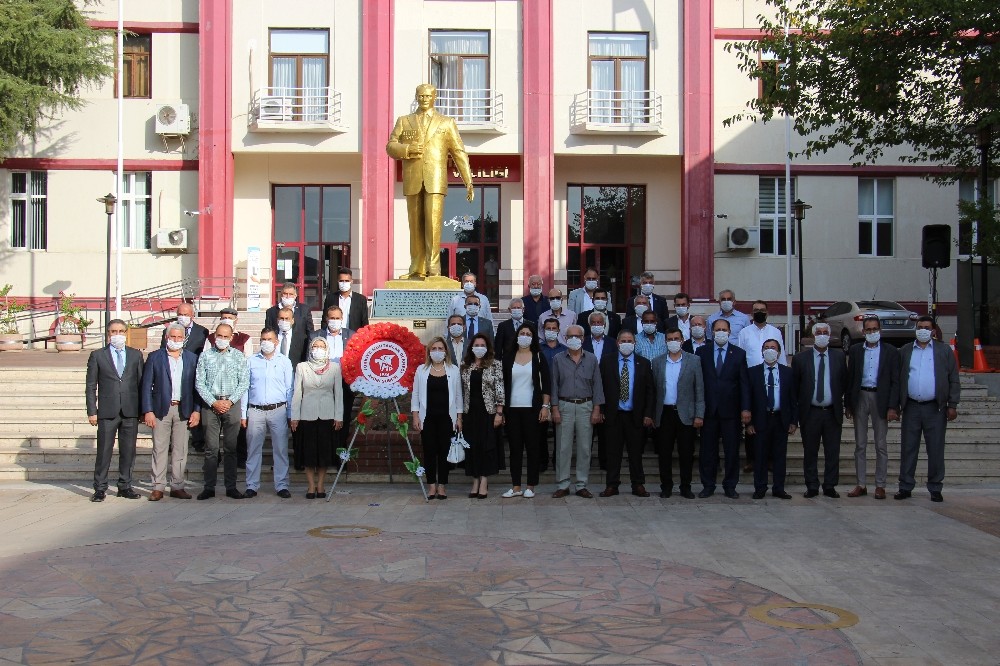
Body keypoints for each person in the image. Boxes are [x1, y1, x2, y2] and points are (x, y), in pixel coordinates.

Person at [386, 83, 475, 279]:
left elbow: (459, 151)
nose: (424, 99)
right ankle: (416, 267)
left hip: (435, 180)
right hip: (413, 179)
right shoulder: (404, 120)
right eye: (420, 96)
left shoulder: (446, 122)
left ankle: (433, 268)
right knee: (415, 225)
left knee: (433, 225)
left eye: (427, 96)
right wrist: (407, 150)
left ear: (434, 97)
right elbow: (390, 146)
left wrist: (467, 179)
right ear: (416, 97)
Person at [895, 316, 960, 502]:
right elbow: (898, 378)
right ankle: (905, 486)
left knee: (936, 449)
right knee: (908, 448)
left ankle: (935, 487)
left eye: (926, 327)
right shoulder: (906, 351)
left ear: (933, 331)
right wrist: (896, 405)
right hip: (911, 407)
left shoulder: (943, 351)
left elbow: (953, 378)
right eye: (920, 327)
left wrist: (952, 404)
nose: (923, 330)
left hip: (935, 408)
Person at [85, 319, 145, 502]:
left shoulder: (136, 355)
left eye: (120, 331)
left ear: (126, 333)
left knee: (128, 450)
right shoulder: (97, 355)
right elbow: (90, 385)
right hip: (107, 411)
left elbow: (141, 383)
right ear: (108, 334)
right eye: (113, 331)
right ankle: (100, 488)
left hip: (130, 410)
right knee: (104, 451)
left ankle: (125, 486)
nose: (117, 334)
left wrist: (143, 410)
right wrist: (92, 411)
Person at [141, 323, 200, 501]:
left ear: (184, 339)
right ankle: (158, 487)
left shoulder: (191, 358)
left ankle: (177, 485)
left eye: (179, 337)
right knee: (159, 448)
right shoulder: (155, 357)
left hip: (184, 408)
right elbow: (145, 386)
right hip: (161, 409)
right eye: (172, 337)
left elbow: (197, 387)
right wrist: (148, 410)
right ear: (167, 338)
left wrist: (196, 410)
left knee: (180, 449)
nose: (176, 340)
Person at [845, 316, 900, 500]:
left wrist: (893, 406)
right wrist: (848, 404)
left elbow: (895, 380)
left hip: (880, 397)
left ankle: (880, 485)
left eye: (875, 329)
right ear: (863, 332)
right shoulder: (855, 350)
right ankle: (861, 484)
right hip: (860, 395)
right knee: (860, 444)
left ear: (880, 331)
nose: (872, 332)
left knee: (880, 444)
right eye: (868, 329)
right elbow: (850, 377)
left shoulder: (890, 351)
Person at [195, 322, 250, 500]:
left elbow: (244, 382)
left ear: (231, 338)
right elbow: (199, 383)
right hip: (210, 405)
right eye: (220, 336)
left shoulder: (239, 356)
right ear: (214, 336)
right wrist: (213, 402)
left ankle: (231, 486)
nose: (222, 339)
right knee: (211, 448)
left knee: (231, 448)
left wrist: (230, 401)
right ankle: (209, 487)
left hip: (231, 405)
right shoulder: (205, 356)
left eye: (226, 337)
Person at [696, 318, 751, 499]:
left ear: (729, 332)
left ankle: (730, 485)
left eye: (724, 329)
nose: (721, 332)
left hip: (731, 411)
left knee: (731, 450)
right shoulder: (702, 352)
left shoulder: (739, 354)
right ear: (711, 332)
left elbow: (744, 383)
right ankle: (708, 485)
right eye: (717, 329)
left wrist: (745, 408)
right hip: (709, 410)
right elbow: (699, 382)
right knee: (708, 451)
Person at [792, 322, 847, 498]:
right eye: (819, 332)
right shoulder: (801, 358)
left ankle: (830, 485)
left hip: (832, 411)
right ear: (813, 336)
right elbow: (796, 387)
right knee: (810, 451)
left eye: (825, 332)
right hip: (811, 412)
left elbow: (843, 382)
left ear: (829, 336)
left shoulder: (839, 357)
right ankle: (812, 485)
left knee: (833, 451)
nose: (822, 335)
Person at [549, 325, 605, 498]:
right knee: (563, 448)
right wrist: (555, 408)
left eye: (577, 336)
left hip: (585, 406)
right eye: (570, 336)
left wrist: (597, 409)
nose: (574, 339)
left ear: (583, 338)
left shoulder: (592, 359)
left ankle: (581, 484)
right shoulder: (558, 358)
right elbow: (554, 385)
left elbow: (597, 386)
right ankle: (563, 484)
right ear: (565, 339)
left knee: (584, 447)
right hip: (564, 406)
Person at [599, 330, 655, 497]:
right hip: (613, 414)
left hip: (635, 415)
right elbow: (599, 387)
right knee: (612, 452)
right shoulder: (607, 361)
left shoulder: (643, 363)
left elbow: (650, 391)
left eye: (629, 340)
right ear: (617, 343)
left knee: (635, 452)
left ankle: (638, 484)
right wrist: (600, 409)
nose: (626, 343)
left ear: (635, 343)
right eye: (623, 340)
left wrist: (648, 414)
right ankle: (612, 485)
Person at [242, 328, 294, 499]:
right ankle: (252, 485)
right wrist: (244, 413)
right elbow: (245, 388)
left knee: (280, 449)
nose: (266, 342)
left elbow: (289, 389)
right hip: (255, 410)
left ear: (276, 341)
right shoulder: (251, 361)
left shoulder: (284, 361)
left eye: (269, 339)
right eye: (263, 339)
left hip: (278, 410)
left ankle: (282, 485)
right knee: (253, 449)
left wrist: (290, 413)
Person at [652, 327, 704, 499]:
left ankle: (685, 486)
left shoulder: (694, 360)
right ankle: (666, 486)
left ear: (682, 340)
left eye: (676, 338)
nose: (673, 341)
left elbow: (699, 390)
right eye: (669, 339)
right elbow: (654, 389)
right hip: (664, 413)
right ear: (665, 341)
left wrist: (699, 414)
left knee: (686, 453)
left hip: (686, 413)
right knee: (664, 453)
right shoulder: (658, 362)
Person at [290, 337, 344, 499]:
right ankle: (311, 486)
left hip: (327, 415)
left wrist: (338, 416)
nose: (318, 349)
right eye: (315, 346)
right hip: (307, 415)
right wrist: (294, 416)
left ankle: (320, 484)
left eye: (321, 347)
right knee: (309, 453)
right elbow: (297, 392)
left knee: (324, 453)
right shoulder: (302, 367)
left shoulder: (334, 367)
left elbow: (338, 393)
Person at [501, 323, 550, 499]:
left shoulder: (538, 357)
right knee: (515, 449)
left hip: (532, 409)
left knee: (532, 448)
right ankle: (515, 487)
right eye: (522, 333)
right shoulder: (507, 358)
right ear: (516, 336)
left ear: (533, 337)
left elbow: (546, 384)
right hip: (512, 410)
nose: (524, 336)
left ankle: (530, 485)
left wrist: (545, 406)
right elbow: (502, 385)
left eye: (528, 333)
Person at [737, 300, 786, 473]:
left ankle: (771, 459)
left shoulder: (775, 332)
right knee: (752, 422)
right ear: (751, 313)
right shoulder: (744, 333)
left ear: (767, 312)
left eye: (762, 310)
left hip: (772, 378)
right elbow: (741, 358)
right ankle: (751, 459)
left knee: (772, 423)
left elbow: (781, 355)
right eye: (756, 310)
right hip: (752, 380)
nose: (759, 312)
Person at [412, 337, 463, 500]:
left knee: (444, 453)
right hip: (427, 418)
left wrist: (459, 417)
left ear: (446, 351)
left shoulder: (453, 370)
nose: (437, 352)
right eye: (434, 349)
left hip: (447, 418)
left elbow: (459, 396)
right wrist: (415, 416)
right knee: (429, 452)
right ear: (429, 352)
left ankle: (442, 486)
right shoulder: (421, 370)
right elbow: (416, 394)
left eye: (440, 348)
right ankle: (431, 486)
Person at [747, 339, 797, 499]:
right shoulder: (752, 372)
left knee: (779, 456)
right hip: (761, 419)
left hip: (780, 419)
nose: (770, 351)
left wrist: (793, 421)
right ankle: (760, 487)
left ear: (779, 352)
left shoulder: (787, 372)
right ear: (762, 352)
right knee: (760, 455)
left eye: (773, 348)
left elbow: (793, 398)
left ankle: (779, 488)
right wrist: (749, 422)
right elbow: (748, 398)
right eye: (767, 348)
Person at [310, 305, 357, 463]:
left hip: (345, 383)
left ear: (342, 319)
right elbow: (308, 360)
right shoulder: (316, 335)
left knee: (342, 419)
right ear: (326, 319)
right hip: (323, 383)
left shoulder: (351, 335)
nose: (334, 321)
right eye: (331, 318)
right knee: (325, 420)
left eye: (337, 318)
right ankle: (326, 455)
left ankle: (340, 457)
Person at [461, 334, 504, 498]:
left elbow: (500, 389)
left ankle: (484, 480)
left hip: (488, 412)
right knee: (472, 447)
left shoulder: (495, 365)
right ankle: (475, 480)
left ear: (487, 347)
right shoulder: (465, 365)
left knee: (486, 446)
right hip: (470, 412)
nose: (479, 347)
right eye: (476, 344)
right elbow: (462, 390)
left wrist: (499, 412)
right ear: (471, 347)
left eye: (482, 345)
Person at [321, 267, 369, 332]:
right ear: (337, 281)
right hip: (335, 336)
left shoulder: (360, 299)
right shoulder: (330, 298)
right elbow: (324, 320)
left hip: (354, 337)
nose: (344, 283)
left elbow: (364, 323)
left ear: (351, 281)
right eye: (341, 281)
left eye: (346, 281)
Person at [494, 298, 536, 364]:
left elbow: (535, 344)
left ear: (523, 309)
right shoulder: (503, 326)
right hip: (508, 362)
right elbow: (498, 347)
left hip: (527, 361)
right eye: (514, 308)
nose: (517, 310)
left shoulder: (531, 325)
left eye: (519, 308)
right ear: (509, 310)